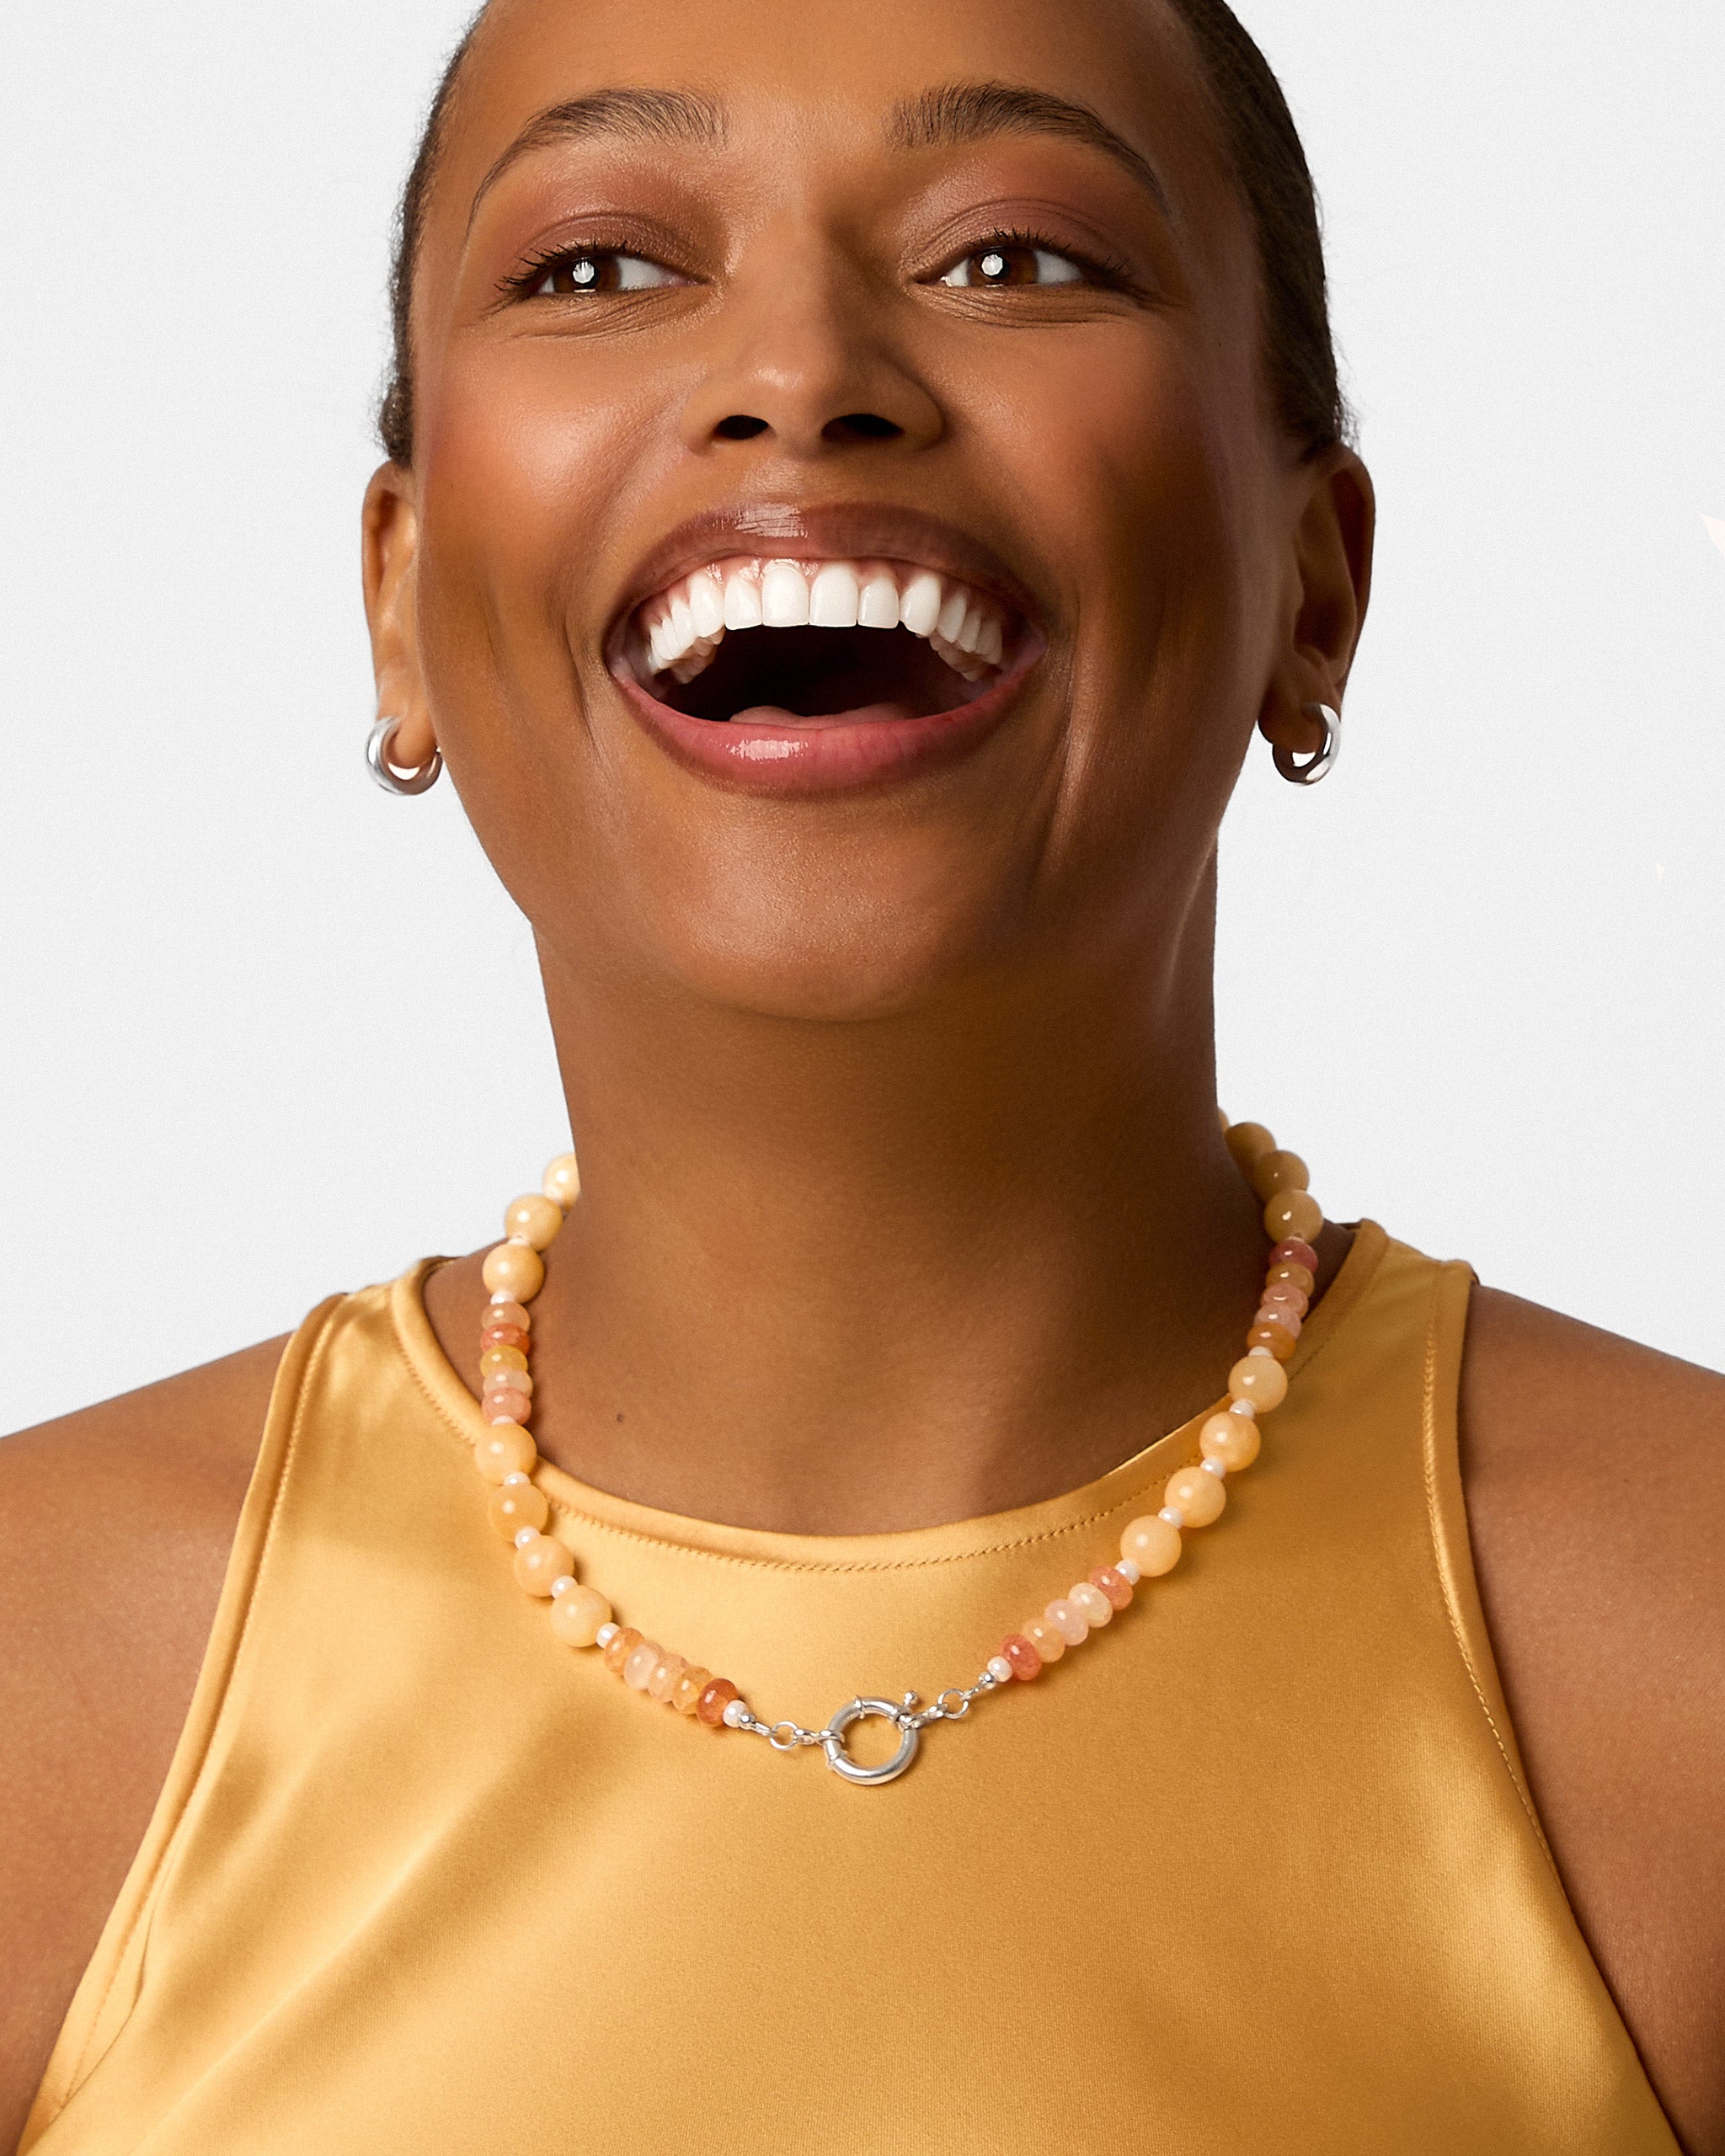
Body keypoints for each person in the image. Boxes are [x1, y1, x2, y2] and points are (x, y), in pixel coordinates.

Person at [3, 0, 1721, 2148]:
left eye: (1016, 254)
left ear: (1318, 582)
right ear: (406, 601)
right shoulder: (35, 1695)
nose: (800, 375)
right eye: (600, 266)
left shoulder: (1691, 1669)